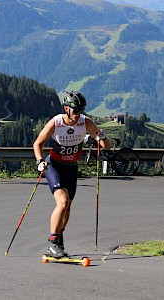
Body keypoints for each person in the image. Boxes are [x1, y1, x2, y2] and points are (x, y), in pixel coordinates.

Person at [33, 91, 111, 258]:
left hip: (71, 168)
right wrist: (40, 161)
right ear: (67, 108)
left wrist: (102, 137)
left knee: (67, 207)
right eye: (75, 111)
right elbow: (37, 143)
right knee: (62, 201)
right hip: (54, 166)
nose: (78, 114)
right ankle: (52, 242)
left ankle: (59, 238)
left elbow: (106, 147)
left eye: (81, 110)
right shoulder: (56, 122)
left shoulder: (86, 122)